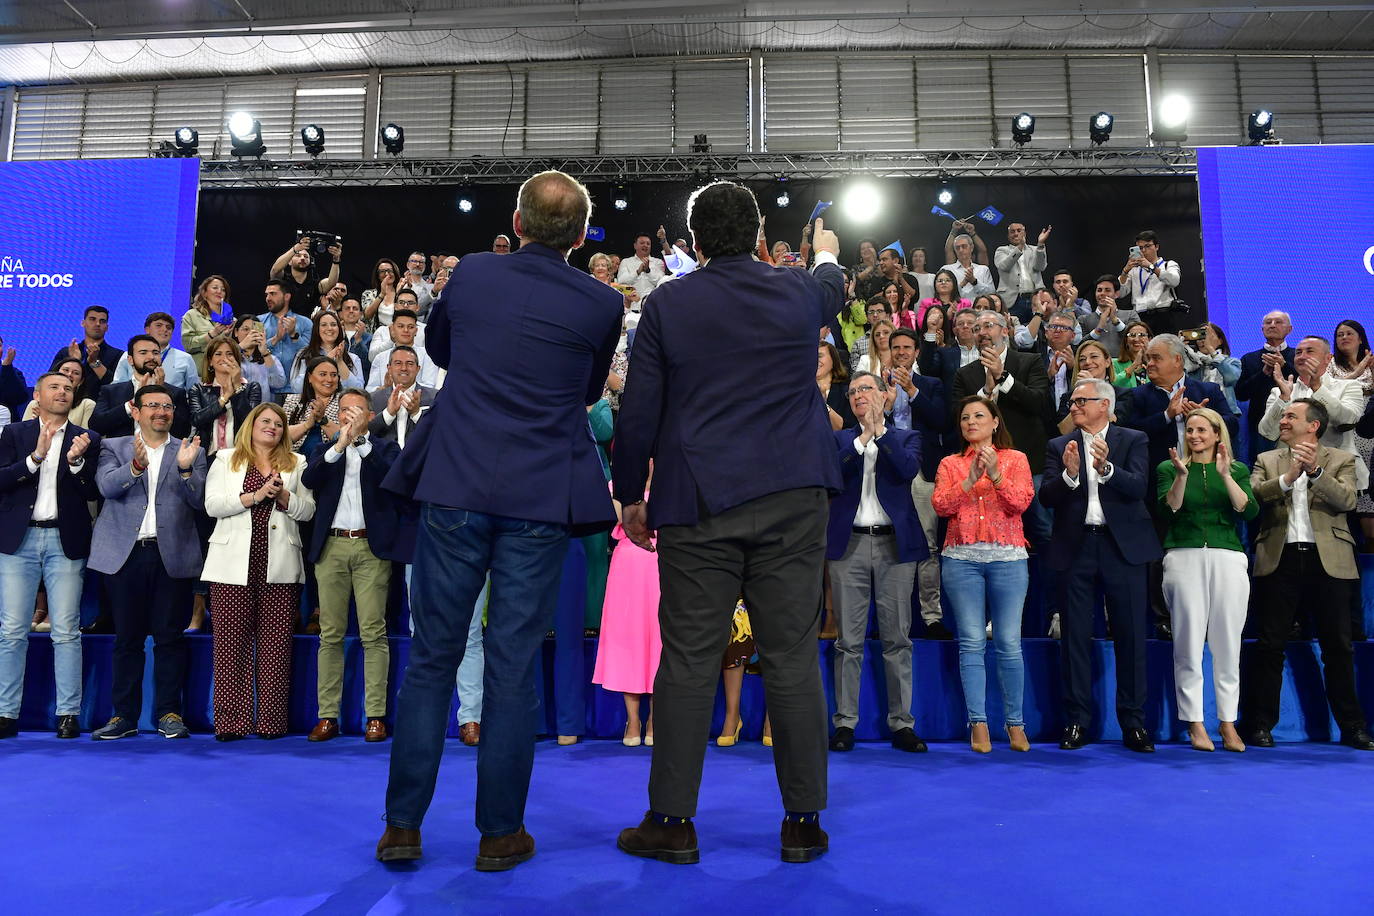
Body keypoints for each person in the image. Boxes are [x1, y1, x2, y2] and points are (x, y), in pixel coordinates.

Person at [377, 171, 622, 872]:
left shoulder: (475, 275)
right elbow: (583, 391)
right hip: (540, 497)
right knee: (513, 668)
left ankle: (402, 829)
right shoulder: (602, 302)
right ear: (581, 237)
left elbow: (446, 352)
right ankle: (499, 834)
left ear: (517, 224)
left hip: (455, 484)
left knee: (431, 660)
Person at [612, 185, 844, 866]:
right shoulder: (799, 290)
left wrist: (630, 493)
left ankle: (671, 822)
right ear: (759, 231)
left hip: (698, 503)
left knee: (687, 661)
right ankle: (804, 824)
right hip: (794, 495)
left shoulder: (668, 303)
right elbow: (831, 281)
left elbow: (640, 408)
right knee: (794, 656)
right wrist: (825, 253)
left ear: (696, 241)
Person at [1244, 398, 1374, 750]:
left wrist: (1316, 472)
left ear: (1313, 425)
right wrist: (1287, 480)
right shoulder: (1267, 460)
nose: (1283, 421)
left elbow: (1347, 501)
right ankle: (1260, 725)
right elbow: (1253, 498)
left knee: (1339, 648)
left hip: (1328, 560)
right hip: (1279, 558)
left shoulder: (1342, 459)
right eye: (1284, 415)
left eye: (1290, 416)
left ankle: (1353, 727)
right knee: (1271, 645)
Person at [1040, 378, 1161, 752]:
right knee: (1074, 638)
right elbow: (1046, 496)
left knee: (1130, 636)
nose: (1073, 406)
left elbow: (1139, 487)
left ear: (1104, 405)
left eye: (1081, 401)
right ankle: (1076, 721)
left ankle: (1134, 723)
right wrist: (1071, 475)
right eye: (1072, 401)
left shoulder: (1133, 439)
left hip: (1121, 547)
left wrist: (1106, 468)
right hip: (1076, 548)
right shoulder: (1059, 445)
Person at [88, 385, 206, 740]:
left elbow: (201, 502)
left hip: (172, 555)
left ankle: (169, 713)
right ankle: (123, 716)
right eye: (152, 405)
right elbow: (107, 488)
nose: (160, 411)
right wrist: (136, 466)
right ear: (135, 410)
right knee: (127, 640)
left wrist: (186, 471)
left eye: (167, 406)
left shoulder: (190, 449)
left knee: (170, 639)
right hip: (124, 557)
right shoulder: (113, 446)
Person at [825, 371, 928, 753]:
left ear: (885, 395)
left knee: (897, 639)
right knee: (847, 642)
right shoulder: (839, 439)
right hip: (848, 545)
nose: (857, 396)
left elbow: (906, 470)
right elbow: (832, 474)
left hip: (894, 549)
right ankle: (845, 724)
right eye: (851, 392)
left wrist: (880, 435)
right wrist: (862, 439)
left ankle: (902, 724)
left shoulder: (905, 436)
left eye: (865, 388)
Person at [201, 403, 316, 740]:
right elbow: (213, 505)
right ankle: (231, 724)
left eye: (279, 424)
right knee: (229, 649)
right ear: (251, 425)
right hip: (230, 568)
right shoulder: (226, 458)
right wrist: (253, 496)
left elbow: (307, 511)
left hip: (279, 568)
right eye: (265, 422)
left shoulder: (297, 463)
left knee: (276, 650)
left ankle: (270, 724)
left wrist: (283, 496)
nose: (272, 428)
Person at [932, 395, 1035, 753]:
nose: (971, 422)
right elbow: (941, 506)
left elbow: (1020, 502)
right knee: (972, 642)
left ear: (995, 422)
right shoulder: (950, 463)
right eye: (964, 418)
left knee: (1008, 642)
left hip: (1008, 558)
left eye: (979, 416)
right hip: (962, 559)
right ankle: (978, 723)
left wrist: (993, 474)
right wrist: (969, 479)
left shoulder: (1016, 459)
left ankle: (1016, 724)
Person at [0, 372, 99, 739]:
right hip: (18, 541)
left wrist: (75, 463)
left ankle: (68, 714)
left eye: (68, 388)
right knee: (11, 631)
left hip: (65, 541)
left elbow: (93, 491)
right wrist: (35, 458)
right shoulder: (15, 434)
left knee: (66, 632)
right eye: (55, 387)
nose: (62, 392)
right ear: (37, 395)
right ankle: (6, 714)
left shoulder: (87, 438)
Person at [301, 389, 401, 743]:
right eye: (344, 409)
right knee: (330, 634)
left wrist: (361, 443)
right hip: (331, 547)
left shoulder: (384, 448)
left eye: (357, 410)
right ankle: (327, 715)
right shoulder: (326, 450)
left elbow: (393, 478)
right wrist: (340, 445)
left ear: (370, 415)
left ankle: (375, 716)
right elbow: (309, 480)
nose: (349, 415)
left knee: (374, 633)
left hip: (371, 549)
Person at [1157, 407, 1256, 753]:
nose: (1194, 435)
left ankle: (1228, 723)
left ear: (1217, 435)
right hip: (1183, 557)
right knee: (1188, 643)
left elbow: (1248, 509)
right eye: (1190, 430)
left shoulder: (1239, 469)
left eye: (1202, 430)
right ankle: (1195, 723)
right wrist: (1182, 477)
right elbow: (1168, 507)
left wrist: (1226, 476)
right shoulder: (1169, 468)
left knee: (1228, 643)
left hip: (1227, 556)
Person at [885, 328, 950, 637]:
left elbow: (941, 420)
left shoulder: (931, 384)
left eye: (906, 347)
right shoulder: (876, 385)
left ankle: (931, 616)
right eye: (895, 347)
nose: (901, 351)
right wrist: (885, 404)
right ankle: (892, 620)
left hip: (923, 472)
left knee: (928, 545)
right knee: (886, 546)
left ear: (916, 352)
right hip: (886, 472)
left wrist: (911, 391)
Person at [593, 482, 662, 748]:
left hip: (662, 561)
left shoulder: (670, 478)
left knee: (660, 639)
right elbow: (620, 517)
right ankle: (633, 720)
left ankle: (657, 720)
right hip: (627, 565)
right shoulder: (616, 484)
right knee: (629, 639)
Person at [1257, 335, 1368, 492]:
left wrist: (1318, 388)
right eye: (1298, 352)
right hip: (1289, 474)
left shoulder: (1349, 386)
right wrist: (1283, 399)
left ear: (1328, 358)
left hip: (1337, 473)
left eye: (1310, 351)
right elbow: (1267, 432)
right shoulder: (1280, 390)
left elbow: (1347, 421)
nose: (1302, 356)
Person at [91, 335, 193, 440]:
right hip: (121, 453)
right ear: (130, 360)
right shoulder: (111, 391)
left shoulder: (175, 393)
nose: (151, 357)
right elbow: (96, 426)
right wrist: (133, 403)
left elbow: (183, 432)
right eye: (143, 353)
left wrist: (161, 394)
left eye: (156, 353)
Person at [1328, 319, 1374, 548]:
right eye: (1339, 335)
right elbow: (1331, 391)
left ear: (1360, 337)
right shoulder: (1331, 365)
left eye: (1348, 333)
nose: (1343, 337)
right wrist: (1359, 370)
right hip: (1346, 432)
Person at [188, 338, 263, 465]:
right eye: (218, 354)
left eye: (230, 354)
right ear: (210, 361)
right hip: (208, 456)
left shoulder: (251, 388)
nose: (225, 358)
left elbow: (249, 422)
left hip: (240, 456)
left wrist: (237, 387)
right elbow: (197, 420)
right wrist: (225, 397)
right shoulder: (199, 389)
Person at [1235, 311, 1296, 462]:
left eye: (1278, 322)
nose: (1272, 325)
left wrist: (1284, 366)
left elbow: (1307, 383)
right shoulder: (1249, 358)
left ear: (1289, 329)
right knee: (1263, 471)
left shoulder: (1298, 355)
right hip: (1260, 425)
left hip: (1296, 422)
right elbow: (1240, 394)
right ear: (1262, 329)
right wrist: (1263, 374)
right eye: (1268, 322)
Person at [1115, 230, 1183, 336]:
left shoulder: (1168, 264)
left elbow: (1174, 281)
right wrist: (1125, 271)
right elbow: (1121, 293)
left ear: (1156, 247)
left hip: (1164, 315)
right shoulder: (1134, 270)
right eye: (1140, 248)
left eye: (1147, 246)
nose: (1144, 251)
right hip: (1140, 317)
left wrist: (1151, 267)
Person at [112, 312, 199, 391]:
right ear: (147, 330)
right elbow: (116, 387)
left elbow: (194, 391)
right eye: (158, 325)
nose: (165, 329)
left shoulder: (185, 358)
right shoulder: (128, 355)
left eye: (168, 327)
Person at [368, 347, 436, 447]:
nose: (404, 368)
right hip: (384, 460)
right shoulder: (373, 399)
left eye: (410, 364)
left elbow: (439, 432)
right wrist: (388, 414)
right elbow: (366, 433)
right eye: (398, 363)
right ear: (389, 369)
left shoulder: (435, 397)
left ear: (418, 369)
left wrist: (416, 414)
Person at [49, 305, 120, 402]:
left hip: (100, 408)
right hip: (64, 404)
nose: (98, 324)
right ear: (83, 323)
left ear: (107, 327)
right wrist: (74, 361)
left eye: (102, 321)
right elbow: (50, 381)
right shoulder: (66, 352)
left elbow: (115, 387)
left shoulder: (117, 355)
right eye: (92, 319)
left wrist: (94, 362)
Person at [289, 310, 365, 393]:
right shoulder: (303, 355)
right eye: (324, 325)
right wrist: (325, 361)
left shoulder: (353, 358)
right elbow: (296, 388)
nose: (329, 328)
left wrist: (340, 362)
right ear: (316, 329)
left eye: (333, 325)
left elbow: (359, 391)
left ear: (339, 329)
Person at [259, 280, 312, 397]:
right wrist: (276, 339)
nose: (268, 298)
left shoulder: (305, 323)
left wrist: (294, 334)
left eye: (273, 294)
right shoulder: (259, 322)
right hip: (267, 391)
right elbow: (255, 354)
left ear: (287, 296)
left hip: (297, 391)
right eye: (267, 294)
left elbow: (310, 355)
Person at [366, 309, 440, 391]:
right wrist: (386, 388)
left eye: (410, 327)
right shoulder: (380, 357)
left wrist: (405, 388)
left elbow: (430, 386)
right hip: (386, 401)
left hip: (419, 401)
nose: (406, 330)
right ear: (392, 329)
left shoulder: (427, 354)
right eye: (401, 326)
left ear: (416, 331)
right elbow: (370, 390)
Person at [283, 357, 342, 457]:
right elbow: (280, 437)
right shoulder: (292, 401)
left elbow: (350, 438)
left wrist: (322, 420)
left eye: (333, 375)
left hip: (333, 462)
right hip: (294, 462)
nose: (329, 379)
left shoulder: (345, 402)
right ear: (310, 377)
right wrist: (307, 425)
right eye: (323, 374)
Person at [271, 236, 342, 318]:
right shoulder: (283, 280)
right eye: (298, 255)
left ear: (310, 262)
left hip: (307, 327)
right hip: (281, 322)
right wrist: (295, 249)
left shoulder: (314, 283)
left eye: (306, 256)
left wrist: (336, 259)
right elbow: (275, 270)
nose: (302, 258)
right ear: (289, 261)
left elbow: (331, 283)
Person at [1056, 340, 1115, 433]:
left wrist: (1093, 385)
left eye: (1094, 356)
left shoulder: (1122, 394)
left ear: (1107, 362)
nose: (1087, 362)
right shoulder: (1068, 397)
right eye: (1082, 359)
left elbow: (1114, 423)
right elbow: (1062, 431)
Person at [993, 222, 1050, 320]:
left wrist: (1040, 244)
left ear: (1025, 233)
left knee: (1038, 328)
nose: (1016, 234)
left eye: (1019, 231)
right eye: (1012, 231)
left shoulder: (1035, 249)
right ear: (1008, 235)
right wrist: (1020, 247)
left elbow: (1041, 267)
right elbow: (1004, 266)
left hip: (1035, 298)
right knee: (1014, 330)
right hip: (1012, 301)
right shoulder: (1001, 250)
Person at [180, 275, 235, 375]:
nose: (219, 291)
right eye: (215, 288)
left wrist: (226, 336)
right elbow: (188, 345)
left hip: (225, 375)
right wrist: (212, 334)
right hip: (200, 375)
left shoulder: (232, 321)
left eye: (223, 290)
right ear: (205, 293)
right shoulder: (192, 315)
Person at [1187, 323, 1242, 415]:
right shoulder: (1193, 365)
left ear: (1220, 341)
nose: (1203, 340)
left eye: (1207, 335)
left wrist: (1211, 349)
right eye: (1200, 335)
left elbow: (1232, 378)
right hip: (1198, 412)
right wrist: (1182, 350)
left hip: (1226, 413)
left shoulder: (1232, 362)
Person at [25, 358, 96, 429]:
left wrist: (47, 419)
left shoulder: (87, 405)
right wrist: (38, 422)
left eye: (76, 373)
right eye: (66, 370)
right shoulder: (35, 404)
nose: (69, 374)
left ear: (81, 381)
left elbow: (86, 436)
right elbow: (22, 434)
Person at [1078, 275, 1136, 358]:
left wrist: (1115, 321)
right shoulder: (1083, 319)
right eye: (1099, 290)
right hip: (1095, 366)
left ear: (1116, 294)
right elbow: (1080, 346)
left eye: (1107, 290)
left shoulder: (1131, 315)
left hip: (1124, 365)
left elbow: (1136, 339)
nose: (1102, 293)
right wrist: (1099, 328)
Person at [940, 235, 996, 305]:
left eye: (964, 246)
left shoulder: (983, 269)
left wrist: (974, 282)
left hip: (980, 310)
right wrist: (963, 283)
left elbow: (992, 294)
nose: (960, 250)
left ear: (971, 248)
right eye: (957, 248)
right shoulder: (947, 269)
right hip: (955, 311)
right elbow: (943, 294)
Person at [816, 342, 854, 432]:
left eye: (819, 356)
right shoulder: (801, 390)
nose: (814, 360)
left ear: (833, 360)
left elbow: (843, 427)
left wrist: (823, 404)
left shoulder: (847, 390)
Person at [616, 233, 666, 300]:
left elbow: (662, 282)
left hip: (652, 305)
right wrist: (637, 272)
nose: (645, 245)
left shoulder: (658, 262)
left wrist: (648, 271)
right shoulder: (626, 262)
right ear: (635, 246)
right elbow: (621, 281)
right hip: (632, 306)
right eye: (642, 243)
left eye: (648, 244)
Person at [848, 298, 891, 374]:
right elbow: (855, 373)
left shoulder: (897, 338)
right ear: (867, 317)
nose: (875, 315)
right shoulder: (858, 343)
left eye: (879, 311)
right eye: (871, 312)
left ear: (887, 315)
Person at [362, 258, 403, 329]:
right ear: (377, 275)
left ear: (395, 272)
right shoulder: (369, 294)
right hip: (377, 335)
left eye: (390, 270)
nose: (387, 274)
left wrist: (398, 294)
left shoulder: (402, 292)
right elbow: (367, 316)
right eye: (382, 271)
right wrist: (382, 294)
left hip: (398, 334)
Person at [1112, 320, 1152, 389]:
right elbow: (1114, 384)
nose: (1136, 339)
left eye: (1142, 335)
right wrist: (1134, 365)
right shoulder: (1113, 363)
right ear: (1126, 341)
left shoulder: (1157, 364)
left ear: (1150, 339)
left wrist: (1149, 363)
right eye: (1132, 335)